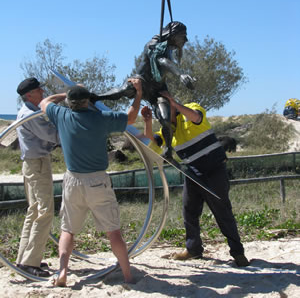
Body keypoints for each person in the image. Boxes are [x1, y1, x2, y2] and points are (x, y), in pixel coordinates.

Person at [40, 78, 142, 286]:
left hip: (72, 181)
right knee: (113, 231)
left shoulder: (62, 115)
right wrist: (138, 93)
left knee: (68, 230)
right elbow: (131, 117)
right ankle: (128, 275)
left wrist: (64, 95)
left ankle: (62, 273)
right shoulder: (101, 119)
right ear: (88, 101)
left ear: (70, 103)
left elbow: (44, 102)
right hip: (97, 181)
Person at [141, 91, 250, 267]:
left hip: (214, 171)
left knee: (223, 213)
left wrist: (174, 104)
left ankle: (238, 253)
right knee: (189, 212)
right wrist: (147, 122)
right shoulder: (167, 131)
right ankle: (193, 250)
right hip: (192, 174)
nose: (163, 115)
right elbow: (152, 144)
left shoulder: (191, 109)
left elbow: (196, 117)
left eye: (164, 110)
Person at [90, 21, 195, 160]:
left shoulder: (169, 48)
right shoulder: (154, 44)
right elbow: (162, 61)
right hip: (142, 81)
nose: (185, 40)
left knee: (165, 118)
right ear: (173, 35)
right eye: (183, 36)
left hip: (158, 89)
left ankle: (168, 149)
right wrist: (180, 74)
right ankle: (95, 97)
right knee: (125, 89)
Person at [16, 77, 60, 277]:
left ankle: (24, 259)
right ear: (29, 95)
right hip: (38, 164)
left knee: (34, 211)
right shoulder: (30, 115)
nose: (42, 91)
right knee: (45, 212)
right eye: (38, 89)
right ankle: (30, 262)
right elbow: (53, 135)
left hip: (32, 164)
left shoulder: (28, 112)